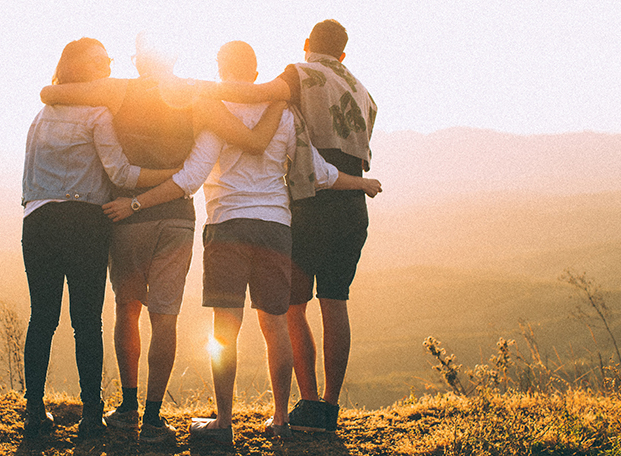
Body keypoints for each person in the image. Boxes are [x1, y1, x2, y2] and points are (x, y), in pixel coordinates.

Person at [102, 40, 380, 445]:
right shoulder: (284, 114)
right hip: (275, 228)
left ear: (220, 68)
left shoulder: (215, 112)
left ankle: (224, 422)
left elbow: (191, 178)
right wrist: (362, 183)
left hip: (227, 226)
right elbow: (319, 172)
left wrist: (137, 201)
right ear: (255, 72)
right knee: (275, 326)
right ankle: (281, 419)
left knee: (224, 331)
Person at [39, 33, 284, 443]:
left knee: (127, 308)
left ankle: (128, 405)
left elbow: (51, 93)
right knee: (164, 317)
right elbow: (252, 140)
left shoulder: (117, 92)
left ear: (138, 62)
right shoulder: (196, 97)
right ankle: (153, 417)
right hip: (176, 218)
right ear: (174, 57)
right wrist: (279, 99)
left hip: (126, 215)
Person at [202, 20, 380, 432]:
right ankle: (329, 409)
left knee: (292, 308)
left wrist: (196, 90)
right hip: (351, 203)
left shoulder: (300, 74)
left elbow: (255, 93)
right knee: (335, 302)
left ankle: (308, 403)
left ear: (306, 45)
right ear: (344, 54)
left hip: (310, 200)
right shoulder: (364, 92)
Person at [20, 37, 178, 440]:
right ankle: (91, 415)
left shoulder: (41, 115)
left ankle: (34, 413)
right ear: (81, 68)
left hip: (37, 221)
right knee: (86, 322)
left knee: (42, 318)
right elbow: (122, 175)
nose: (108, 64)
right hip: (84, 222)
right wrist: (173, 176)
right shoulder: (97, 114)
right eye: (100, 60)